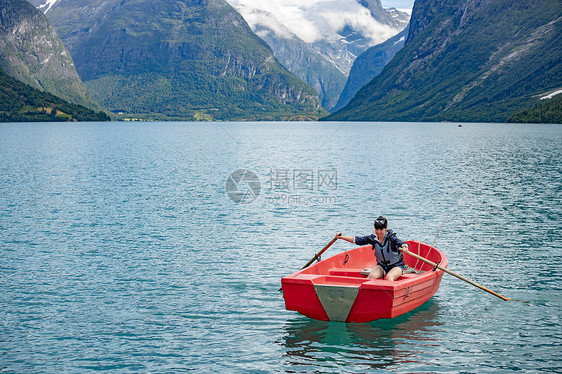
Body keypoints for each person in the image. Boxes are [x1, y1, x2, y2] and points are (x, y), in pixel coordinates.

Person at [337, 216, 409, 281]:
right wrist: (341, 237)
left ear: (386, 228)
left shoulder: (392, 239)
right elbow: (357, 240)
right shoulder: (373, 238)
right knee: (371, 277)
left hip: (396, 266)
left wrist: (405, 246)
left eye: (381, 229)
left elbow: (401, 243)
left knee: (389, 277)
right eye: (377, 229)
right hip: (382, 266)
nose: (379, 232)